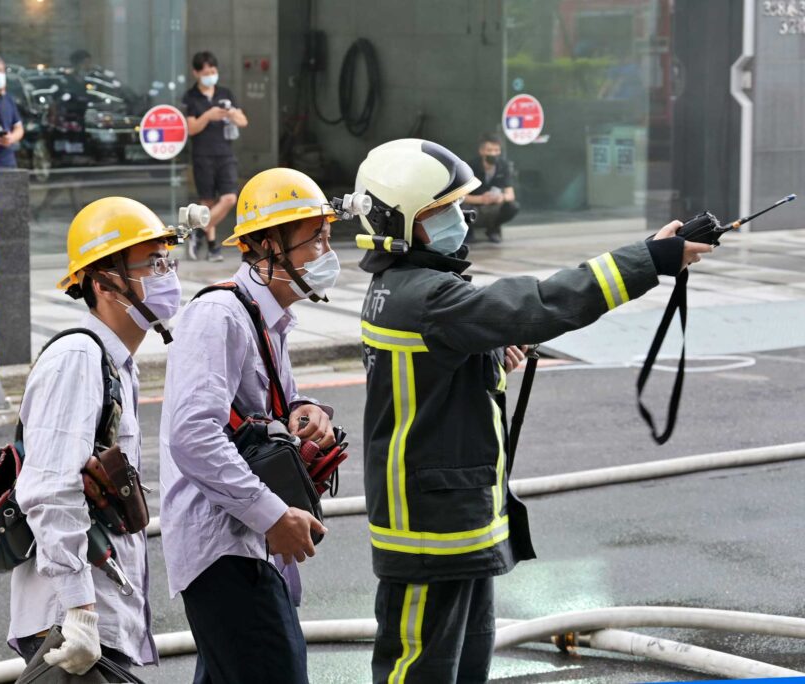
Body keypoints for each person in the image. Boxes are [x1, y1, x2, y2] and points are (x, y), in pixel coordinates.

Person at [352, 138, 713, 683]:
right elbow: (542, 303)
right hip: (433, 535)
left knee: (464, 666)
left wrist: (491, 352)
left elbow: (435, 383)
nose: (459, 219)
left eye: (456, 206)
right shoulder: (428, 297)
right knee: (419, 673)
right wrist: (649, 261)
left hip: (455, 526)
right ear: (397, 222)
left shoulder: (402, 288)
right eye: (440, 211)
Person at [159, 168, 341, 683]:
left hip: (248, 546)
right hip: (226, 549)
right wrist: (271, 516)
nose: (326, 254)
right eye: (314, 240)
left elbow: (270, 408)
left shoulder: (267, 318)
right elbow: (192, 435)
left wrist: (308, 413)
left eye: (327, 237)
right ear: (266, 247)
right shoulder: (220, 315)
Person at [9, 197, 184, 679]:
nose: (167, 274)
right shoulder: (78, 358)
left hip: (97, 615)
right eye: (152, 262)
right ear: (104, 282)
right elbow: (49, 488)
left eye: (167, 260)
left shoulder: (115, 365)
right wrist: (80, 612)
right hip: (71, 622)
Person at [181, 50, 248, 262]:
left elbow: (243, 121)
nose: (211, 74)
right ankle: (212, 247)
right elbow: (191, 128)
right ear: (196, 73)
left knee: (229, 198)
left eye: (214, 70)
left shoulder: (225, 93)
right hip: (202, 154)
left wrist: (232, 114)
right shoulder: (190, 97)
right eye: (207, 71)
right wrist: (208, 115)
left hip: (225, 153)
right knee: (207, 201)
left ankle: (199, 232)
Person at [463, 132, 518, 243]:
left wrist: (500, 197)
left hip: (493, 203)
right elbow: (460, 196)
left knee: (512, 207)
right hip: (474, 203)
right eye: (489, 150)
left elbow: (510, 194)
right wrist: (481, 199)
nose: (493, 154)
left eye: (496, 150)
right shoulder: (470, 166)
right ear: (481, 151)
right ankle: (468, 232)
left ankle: (493, 230)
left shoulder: (504, 166)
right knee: (462, 207)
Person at [0, 54, 24, 170]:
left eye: (0, 71)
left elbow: (18, 127)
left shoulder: (7, 99)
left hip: (7, 162)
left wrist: (11, 138)